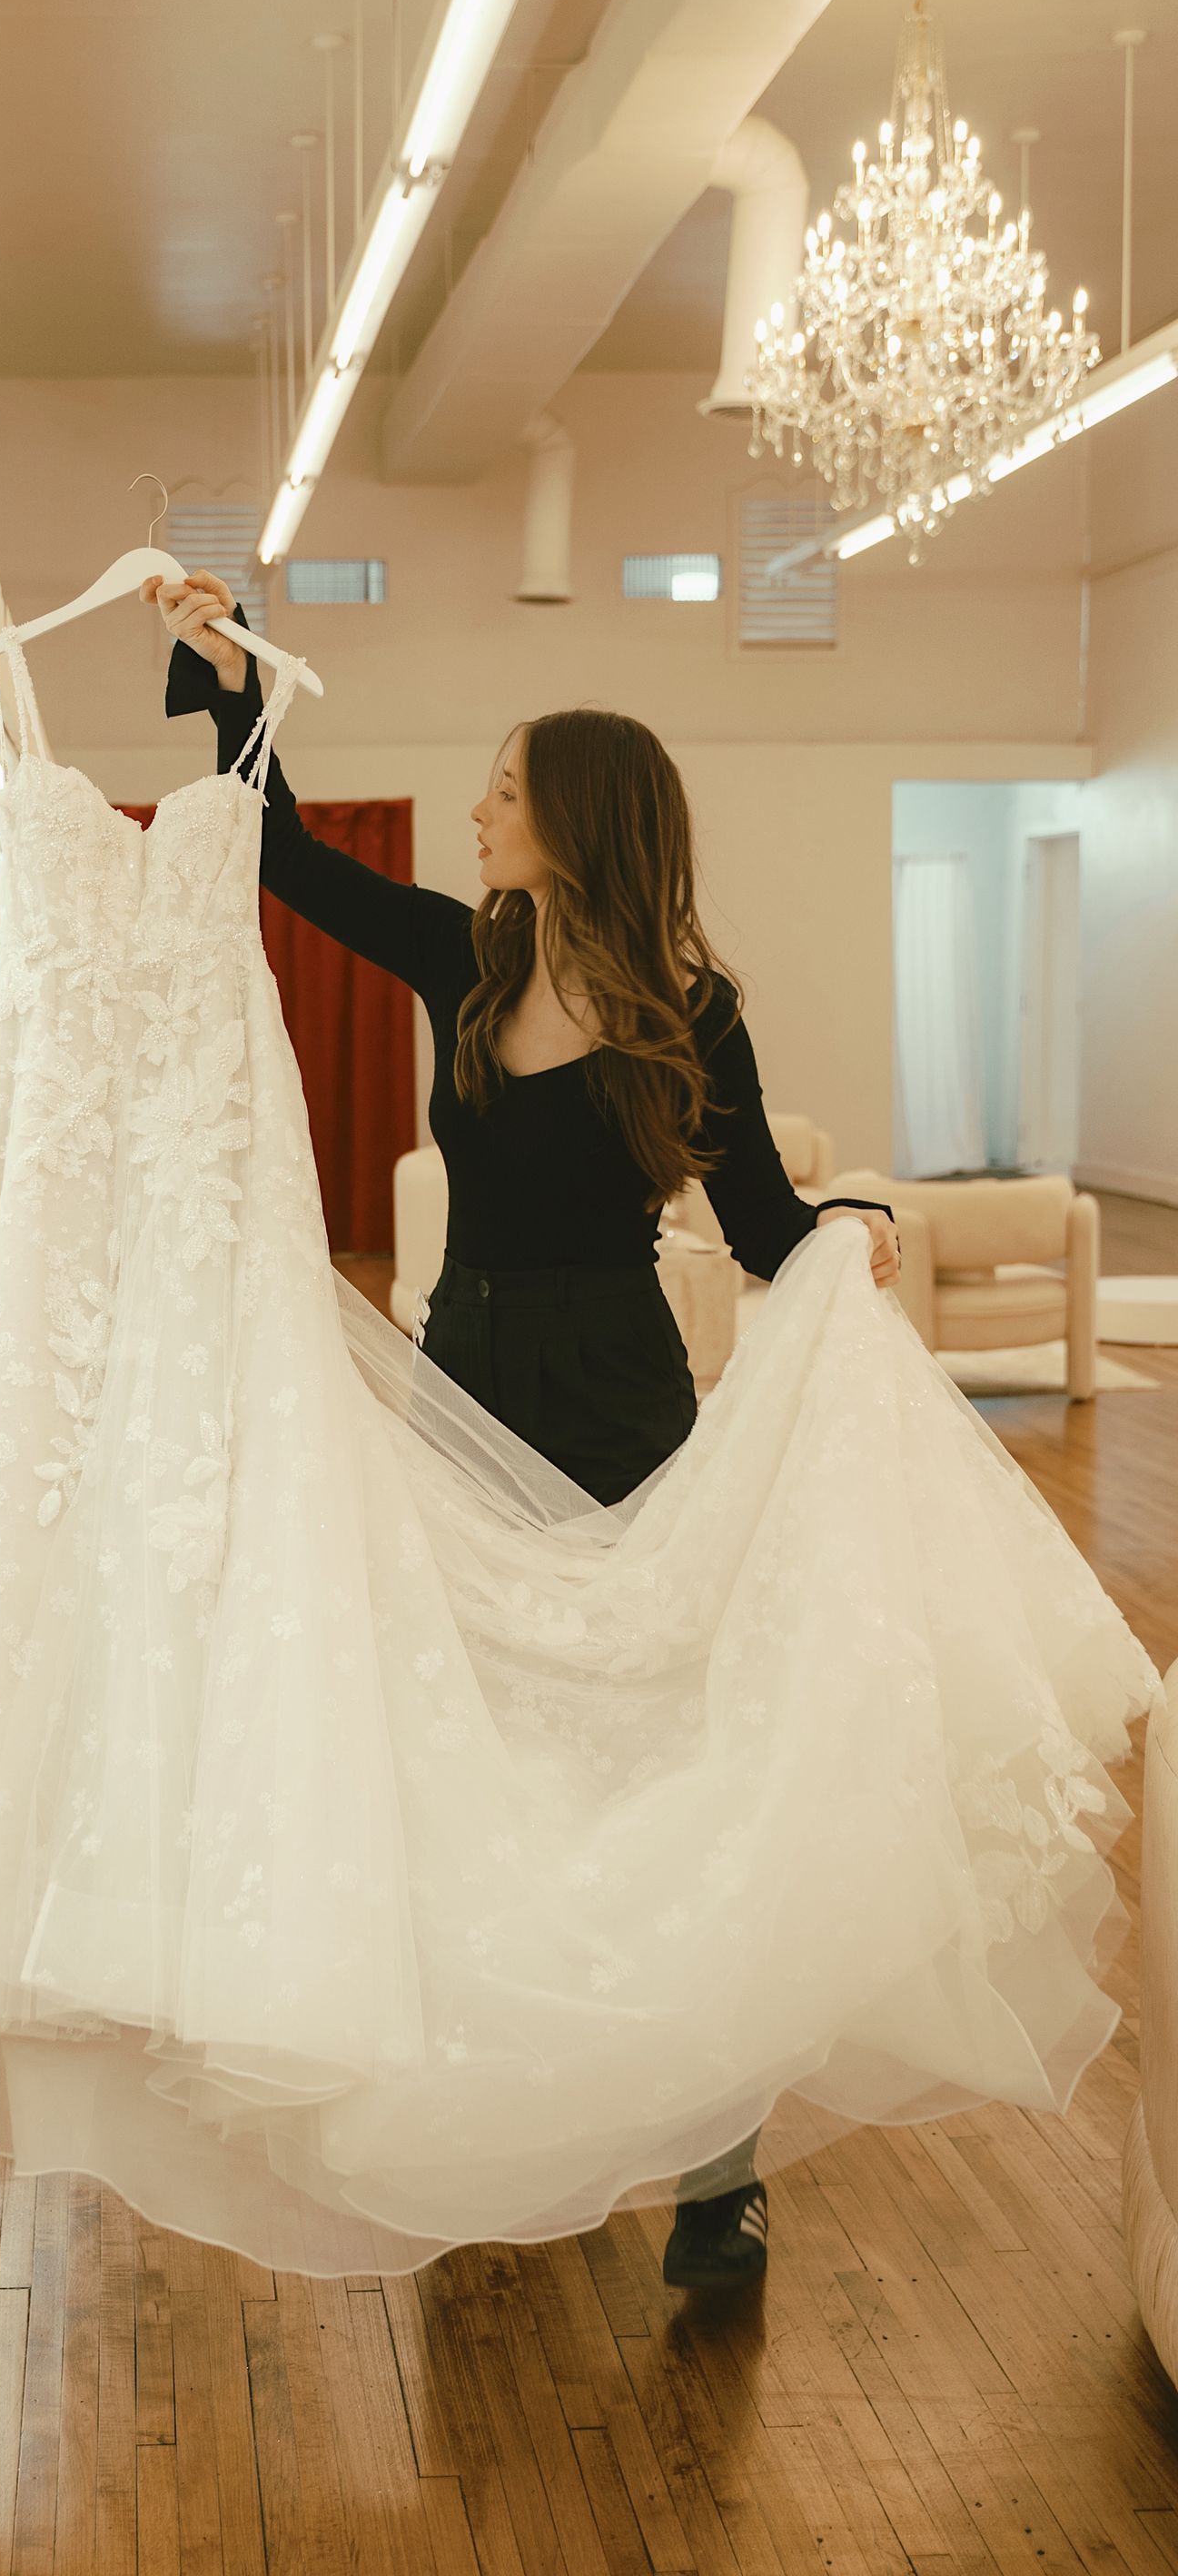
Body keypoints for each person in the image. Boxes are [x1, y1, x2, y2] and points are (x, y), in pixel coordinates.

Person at [145, 568, 900, 2289]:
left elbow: (767, 1227)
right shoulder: (465, 962)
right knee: (474, 1754)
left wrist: (851, 1226)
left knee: (646, 1768)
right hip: (458, 1396)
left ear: (573, 823)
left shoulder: (693, 1011)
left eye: (503, 786)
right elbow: (279, 853)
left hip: (625, 1414)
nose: (478, 807)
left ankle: (719, 2172)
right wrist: (227, 675)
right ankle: (518, 2098)